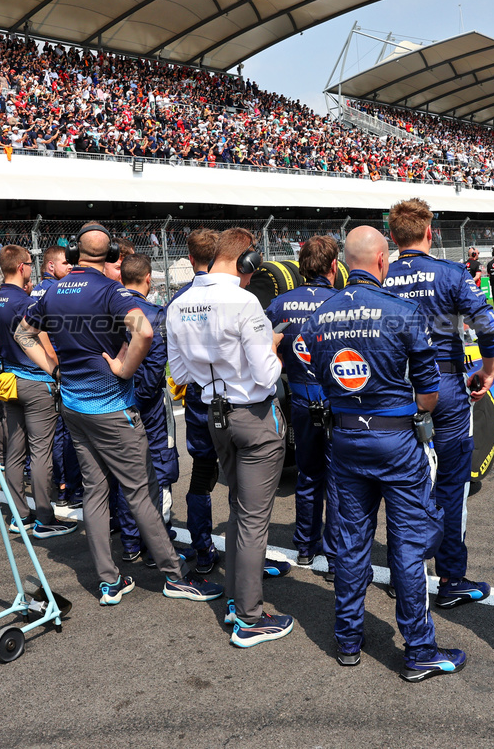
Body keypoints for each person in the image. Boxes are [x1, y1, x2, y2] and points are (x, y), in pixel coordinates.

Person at [17, 224, 221, 606]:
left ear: (77, 254)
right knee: (141, 491)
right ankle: (175, 576)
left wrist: (54, 368)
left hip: (74, 407)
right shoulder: (110, 291)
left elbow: (22, 334)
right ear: (110, 255)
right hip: (113, 409)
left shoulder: (53, 290)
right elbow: (143, 332)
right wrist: (125, 369)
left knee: (95, 493)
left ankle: (109, 582)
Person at [302, 225, 467, 681]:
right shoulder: (403, 311)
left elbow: (317, 373)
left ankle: (348, 639)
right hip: (396, 443)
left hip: (346, 442)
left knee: (351, 545)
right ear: (381, 263)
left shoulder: (319, 315)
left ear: (342, 266)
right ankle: (418, 650)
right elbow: (430, 392)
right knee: (408, 547)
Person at [166, 227, 294, 648]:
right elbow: (266, 374)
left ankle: (240, 603)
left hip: (213, 416)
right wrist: (274, 344)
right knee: (253, 520)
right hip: (254, 416)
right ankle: (251, 618)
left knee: (240, 512)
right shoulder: (245, 300)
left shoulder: (179, 303)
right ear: (246, 263)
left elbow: (180, 376)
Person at [384, 198, 494, 609]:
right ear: (429, 233)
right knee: (452, 484)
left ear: (393, 237)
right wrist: (487, 369)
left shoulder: (379, 275)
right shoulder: (450, 273)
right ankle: (451, 577)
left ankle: (405, 574)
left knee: (401, 485)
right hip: (446, 385)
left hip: (395, 389)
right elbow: (486, 323)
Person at [0, 245, 74, 539]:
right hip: (35, 382)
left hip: (9, 383)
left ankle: (19, 515)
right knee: (41, 452)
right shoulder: (26, 301)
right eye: (30, 263)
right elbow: (42, 341)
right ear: (21, 267)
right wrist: (57, 371)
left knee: (15, 453)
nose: (32, 268)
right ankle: (45, 518)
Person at [264, 235, 339, 570]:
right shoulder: (343, 301)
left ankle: (306, 546)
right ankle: (336, 550)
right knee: (338, 477)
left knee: (308, 474)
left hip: (301, 399)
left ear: (299, 267)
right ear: (334, 267)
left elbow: (263, 345)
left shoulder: (280, 304)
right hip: (337, 402)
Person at [118, 253, 182, 562]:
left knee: (127, 469)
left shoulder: (110, 309)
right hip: (149, 401)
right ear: (148, 279)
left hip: (116, 398)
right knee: (161, 465)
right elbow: (157, 361)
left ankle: (131, 543)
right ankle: (160, 543)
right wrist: (143, 394)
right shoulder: (155, 314)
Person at [167, 228, 224, 574]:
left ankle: (203, 548)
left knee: (201, 476)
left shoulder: (177, 301)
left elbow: (177, 370)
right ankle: (249, 558)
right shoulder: (235, 296)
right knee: (243, 481)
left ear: (190, 259)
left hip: (198, 400)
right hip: (234, 401)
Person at [29, 244, 83, 508]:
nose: (71, 267)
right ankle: (67, 488)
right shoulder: (54, 290)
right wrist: (56, 366)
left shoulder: (37, 289)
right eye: (65, 263)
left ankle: (60, 487)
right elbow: (43, 334)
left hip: (33, 370)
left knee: (50, 436)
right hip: (53, 370)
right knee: (64, 433)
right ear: (50, 266)